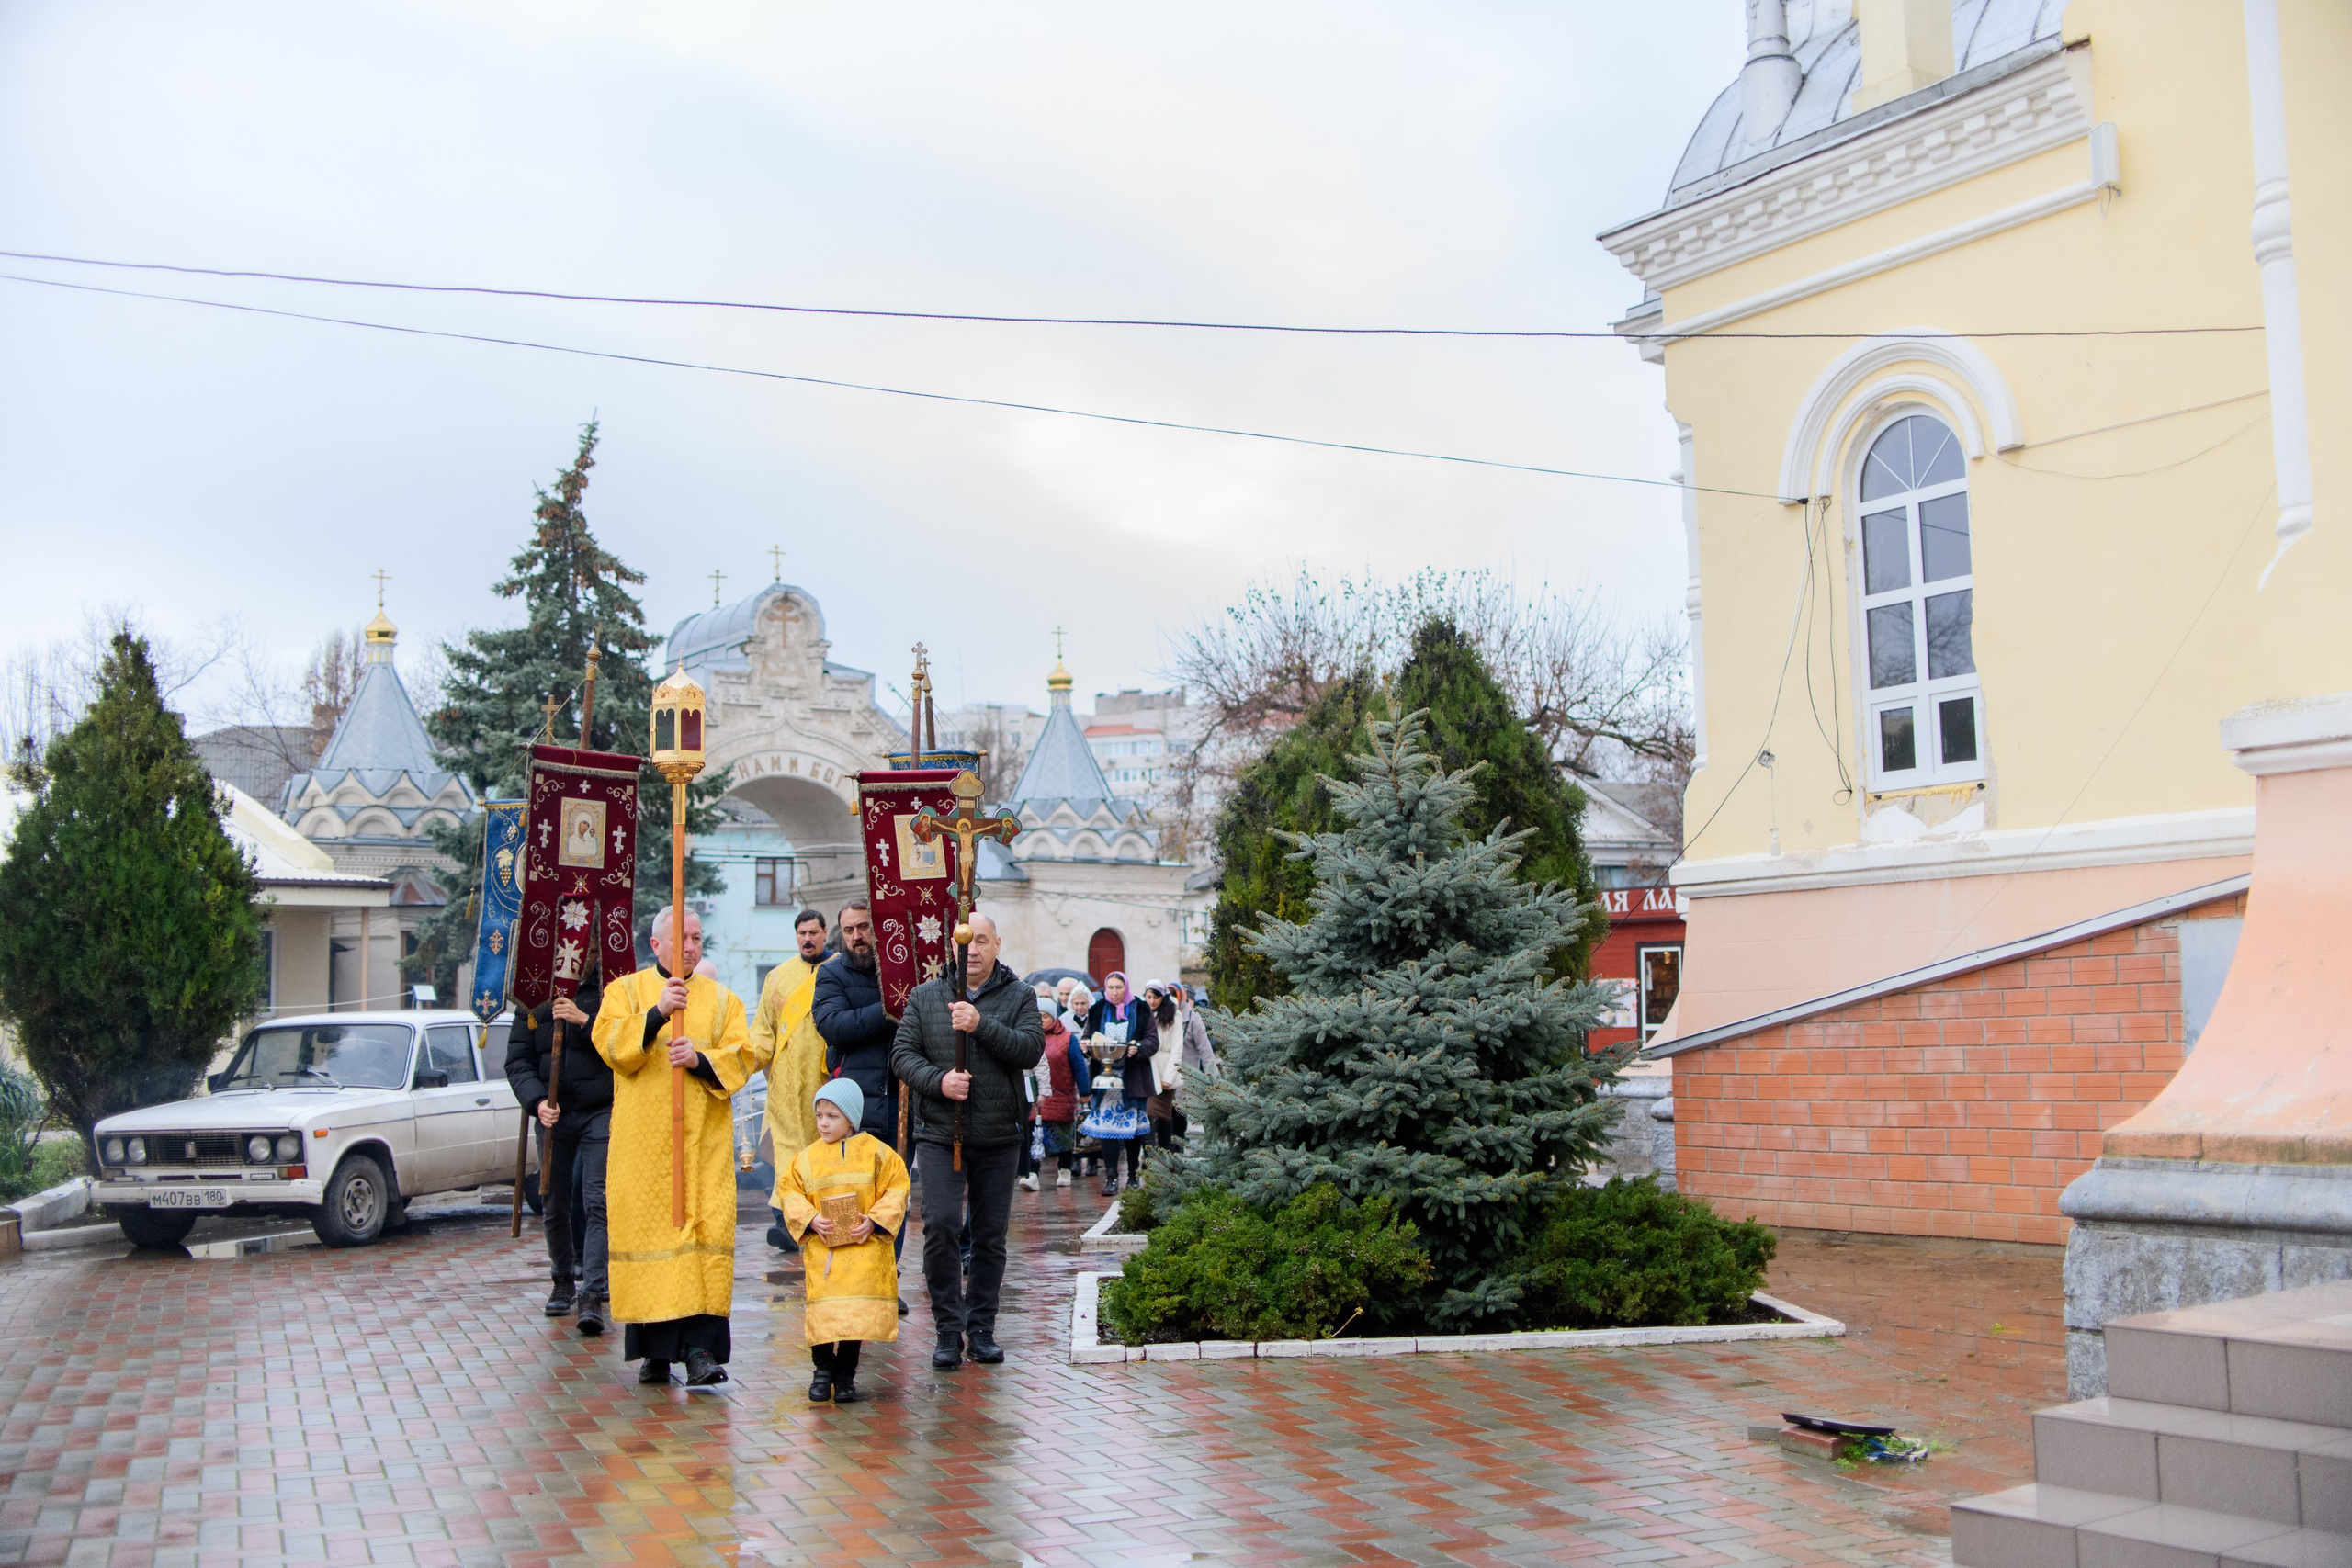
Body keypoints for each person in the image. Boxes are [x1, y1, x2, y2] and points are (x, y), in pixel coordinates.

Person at [592, 907, 755, 1388]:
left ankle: (701, 1353)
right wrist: (657, 1014)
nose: (690, 946)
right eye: (681, 937)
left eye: (697, 938)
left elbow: (743, 1056)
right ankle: (656, 1353)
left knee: (702, 1242)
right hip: (644, 1149)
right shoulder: (624, 992)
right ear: (656, 944)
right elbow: (610, 1045)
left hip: (702, 1147)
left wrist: (700, 1059)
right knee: (653, 1243)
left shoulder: (723, 1001)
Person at [888, 912, 1045, 1370]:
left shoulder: (1020, 995)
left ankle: (981, 1329)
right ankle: (947, 1329)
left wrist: (980, 1024)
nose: (972, 950)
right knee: (940, 1225)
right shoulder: (925, 996)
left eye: (981, 941)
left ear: (997, 944)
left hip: (999, 1134)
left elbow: (1030, 1049)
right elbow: (902, 1055)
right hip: (940, 1132)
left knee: (990, 1236)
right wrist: (939, 1082)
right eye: (965, 941)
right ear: (952, 946)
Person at [776, 1077, 910, 1404]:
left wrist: (874, 1221)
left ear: (851, 1118)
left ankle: (846, 1376)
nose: (823, 1123)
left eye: (832, 1116)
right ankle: (822, 1372)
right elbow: (789, 1191)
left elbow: (897, 1187)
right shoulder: (806, 1158)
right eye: (819, 1116)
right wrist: (810, 1218)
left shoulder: (879, 1153)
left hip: (863, 1254)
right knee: (823, 1315)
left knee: (854, 1318)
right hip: (825, 1255)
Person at [503, 960, 613, 1334]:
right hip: (553, 1113)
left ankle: (593, 1291)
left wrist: (584, 1020)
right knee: (553, 1199)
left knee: (597, 1200)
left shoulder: (608, 988)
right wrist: (536, 1101)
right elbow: (517, 1060)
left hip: (599, 1109)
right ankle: (562, 1278)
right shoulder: (534, 995)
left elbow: (621, 1045)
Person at [753, 908, 832, 1252]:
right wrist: (745, 1060)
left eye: (813, 932)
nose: (808, 939)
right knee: (787, 1153)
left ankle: (822, 1221)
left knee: (822, 1153)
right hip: (785, 1085)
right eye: (802, 933)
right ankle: (785, 1222)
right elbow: (763, 1030)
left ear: (825, 933)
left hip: (825, 1080)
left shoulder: (840, 969)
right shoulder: (778, 976)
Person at [1080, 971, 1158, 1196]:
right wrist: (1086, 1046)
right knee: (1107, 1131)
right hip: (1104, 1082)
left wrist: (1138, 1048)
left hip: (1132, 1079)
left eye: (1119, 988)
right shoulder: (1097, 1009)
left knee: (1132, 1132)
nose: (1114, 993)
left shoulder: (1141, 1009)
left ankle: (1132, 1175)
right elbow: (1088, 1036)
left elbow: (1153, 1041)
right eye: (1111, 988)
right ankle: (1111, 1178)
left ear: (1126, 988)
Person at [1030, 989, 1086, 1188]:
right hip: (1035, 1098)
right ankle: (1032, 1174)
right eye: (1037, 1016)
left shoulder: (1067, 1038)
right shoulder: (1029, 1036)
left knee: (1062, 1136)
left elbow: (1079, 1066)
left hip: (1061, 1096)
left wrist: (1085, 1092)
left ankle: (1065, 1170)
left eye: (1044, 1016)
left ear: (1053, 1018)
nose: (1040, 1020)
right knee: (1035, 1137)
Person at [1144, 982, 1182, 1152]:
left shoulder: (1174, 1015)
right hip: (1147, 1069)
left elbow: (1177, 1048)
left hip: (1166, 1068)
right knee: (1148, 1112)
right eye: (1149, 997)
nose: (1152, 1001)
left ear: (1163, 997)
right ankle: (1150, 1153)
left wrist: (1168, 1077)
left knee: (1164, 1113)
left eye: (1156, 997)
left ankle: (1165, 1150)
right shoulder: (1144, 1013)